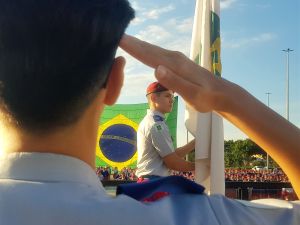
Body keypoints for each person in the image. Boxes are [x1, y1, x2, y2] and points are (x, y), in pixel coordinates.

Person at [0, 1, 299, 225]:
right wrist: (230, 99)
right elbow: (171, 161)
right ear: (116, 82)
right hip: (155, 188)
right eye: (167, 96)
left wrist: (196, 146)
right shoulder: (195, 218)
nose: (170, 101)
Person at [136, 81, 195, 179]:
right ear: (153, 98)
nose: (172, 100)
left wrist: (195, 143)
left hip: (153, 181)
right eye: (167, 96)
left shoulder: (156, 122)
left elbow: (172, 155)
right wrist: (202, 166)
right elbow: (172, 163)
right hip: (153, 182)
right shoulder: (155, 124)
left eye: (172, 97)